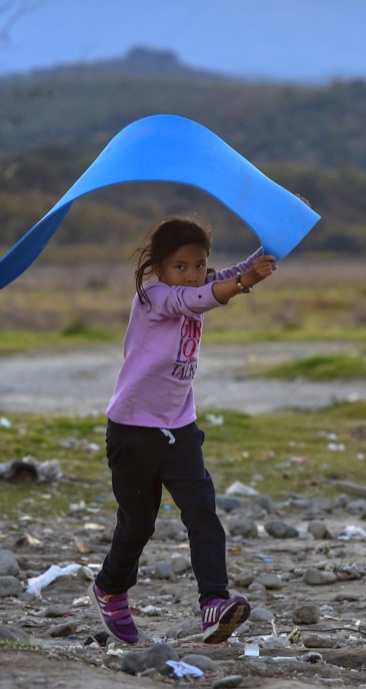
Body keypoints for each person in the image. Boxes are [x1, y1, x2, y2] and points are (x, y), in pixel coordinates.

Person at [89, 215, 278, 645]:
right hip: (134, 430)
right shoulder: (155, 296)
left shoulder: (195, 288)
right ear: (158, 267)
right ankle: (110, 589)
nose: (192, 275)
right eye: (181, 267)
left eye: (199, 265)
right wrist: (248, 279)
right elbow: (207, 295)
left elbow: (223, 279)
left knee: (202, 512)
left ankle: (214, 603)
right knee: (138, 524)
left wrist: (267, 249)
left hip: (180, 427)